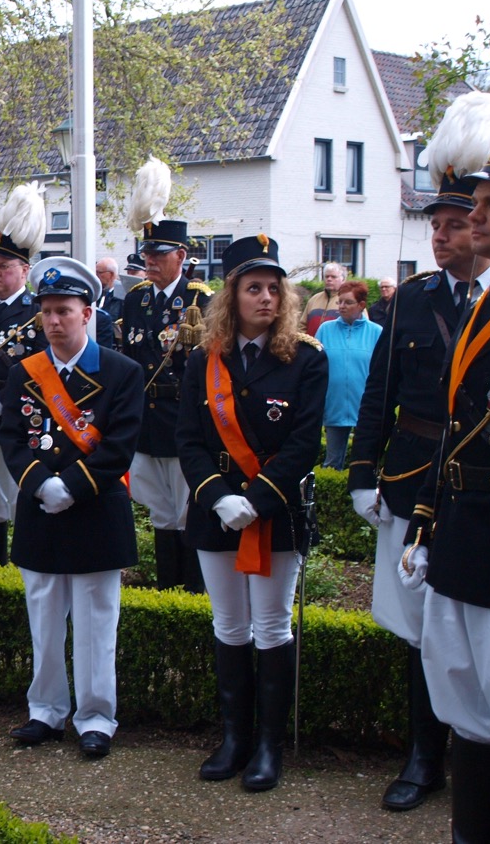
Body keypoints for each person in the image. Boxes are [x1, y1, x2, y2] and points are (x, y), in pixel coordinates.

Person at [347, 90, 490, 813]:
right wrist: (359, 473)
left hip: (477, 490)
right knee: (420, 634)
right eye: (435, 225)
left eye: (454, 223)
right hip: (411, 481)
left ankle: (475, 765)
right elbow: (379, 392)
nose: (442, 236)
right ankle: (421, 757)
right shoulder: (409, 299)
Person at [177, 235, 326, 792]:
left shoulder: (305, 358)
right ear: (232, 294)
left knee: (270, 626)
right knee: (229, 625)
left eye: (273, 288)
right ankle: (234, 738)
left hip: (275, 511)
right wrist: (219, 497)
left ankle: (268, 746)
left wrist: (256, 499)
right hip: (217, 511)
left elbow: (304, 443)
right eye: (253, 287)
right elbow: (188, 438)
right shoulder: (203, 359)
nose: (266, 297)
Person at [402, 104, 490, 841]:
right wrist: (426, 524)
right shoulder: (487, 301)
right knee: (465, 712)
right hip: (464, 541)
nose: (476, 215)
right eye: (477, 203)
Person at [0, 257, 143, 758]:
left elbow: (119, 445)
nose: (54, 321)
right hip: (41, 509)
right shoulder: (25, 373)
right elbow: (12, 439)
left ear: (87, 313)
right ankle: (45, 710)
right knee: (43, 615)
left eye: (64, 310)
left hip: (95, 510)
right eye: (47, 311)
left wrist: (71, 486)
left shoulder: (123, 372)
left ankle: (97, 717)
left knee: (96, 620)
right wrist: (40, 484)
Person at [120, 158, 212, 592]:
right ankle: (166, 587)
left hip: (181, 416)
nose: (150, 261)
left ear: (181, 255)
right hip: (147, 420)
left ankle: (192, 590)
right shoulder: (136, 300)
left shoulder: (200, 299)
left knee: (187, 508)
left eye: (158, 255)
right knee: (159, 509)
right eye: (146, 254)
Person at [0, 183, 45, 566]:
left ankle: (21, 572)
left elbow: (42, 369)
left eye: (4, 267)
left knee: (18, 499)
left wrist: (2, 401)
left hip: (15, 417)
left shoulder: (37, 312)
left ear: (24, 270)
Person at [316, 280, 381, 470]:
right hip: (334, 404)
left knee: (366, 462)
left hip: (365, 406)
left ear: (361, 305)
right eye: (340, 302)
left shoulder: (377, 332)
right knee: (332, 461)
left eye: (348, 302)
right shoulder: (325, 330)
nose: (341, 307)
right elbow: (316, 367)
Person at [299, 262, 344, 336]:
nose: (329, 279)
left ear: (343, 280)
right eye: (326, 276)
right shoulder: (314, 300)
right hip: (312, 346)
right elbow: (302, 326)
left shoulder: (350, 301)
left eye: (333, 277)